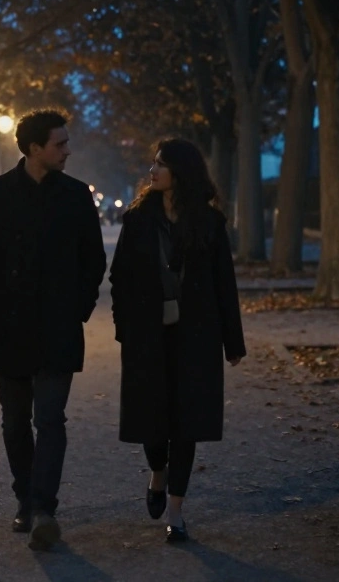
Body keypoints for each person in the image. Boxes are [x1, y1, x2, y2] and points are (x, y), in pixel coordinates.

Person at [0, 108, 107, 552]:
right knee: (14, 421)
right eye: (59, 144)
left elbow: (93, 260)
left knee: (51, 418)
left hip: (59, 325)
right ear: (34, 148)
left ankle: (43, 506)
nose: (67, 150)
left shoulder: (77, 196)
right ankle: (25, 498)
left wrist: (78, 307)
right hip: (8, 324)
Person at [108, 138, 246, 543]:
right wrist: (124, 326)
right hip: (147, 335)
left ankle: (176, 509)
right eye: (153, 164)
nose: (152, 171)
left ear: (180, 173)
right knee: (151, 421)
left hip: (196, 337)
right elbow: (119, 278)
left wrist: (232, 343)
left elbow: (225, 285)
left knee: (187, 423)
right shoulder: (138, 219)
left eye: (161, 165)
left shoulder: (209, 222)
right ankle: (157, 472)